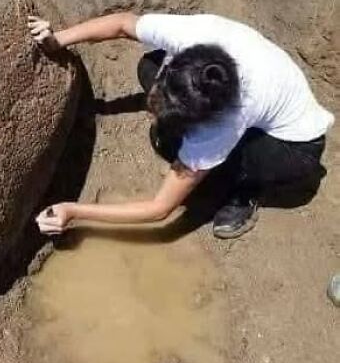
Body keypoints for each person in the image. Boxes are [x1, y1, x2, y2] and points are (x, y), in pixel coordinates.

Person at [29, 12, 334, 239]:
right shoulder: (193, 34)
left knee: (226, 166)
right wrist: (58, 39)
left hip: (295, 146)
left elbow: (160, 209)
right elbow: (122, 24)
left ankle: (243, 194)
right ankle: (198, 149)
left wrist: (74, 211)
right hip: (255, 94)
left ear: (203, 119)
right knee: (147, 66)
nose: (152, 112)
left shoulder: (226, 122)